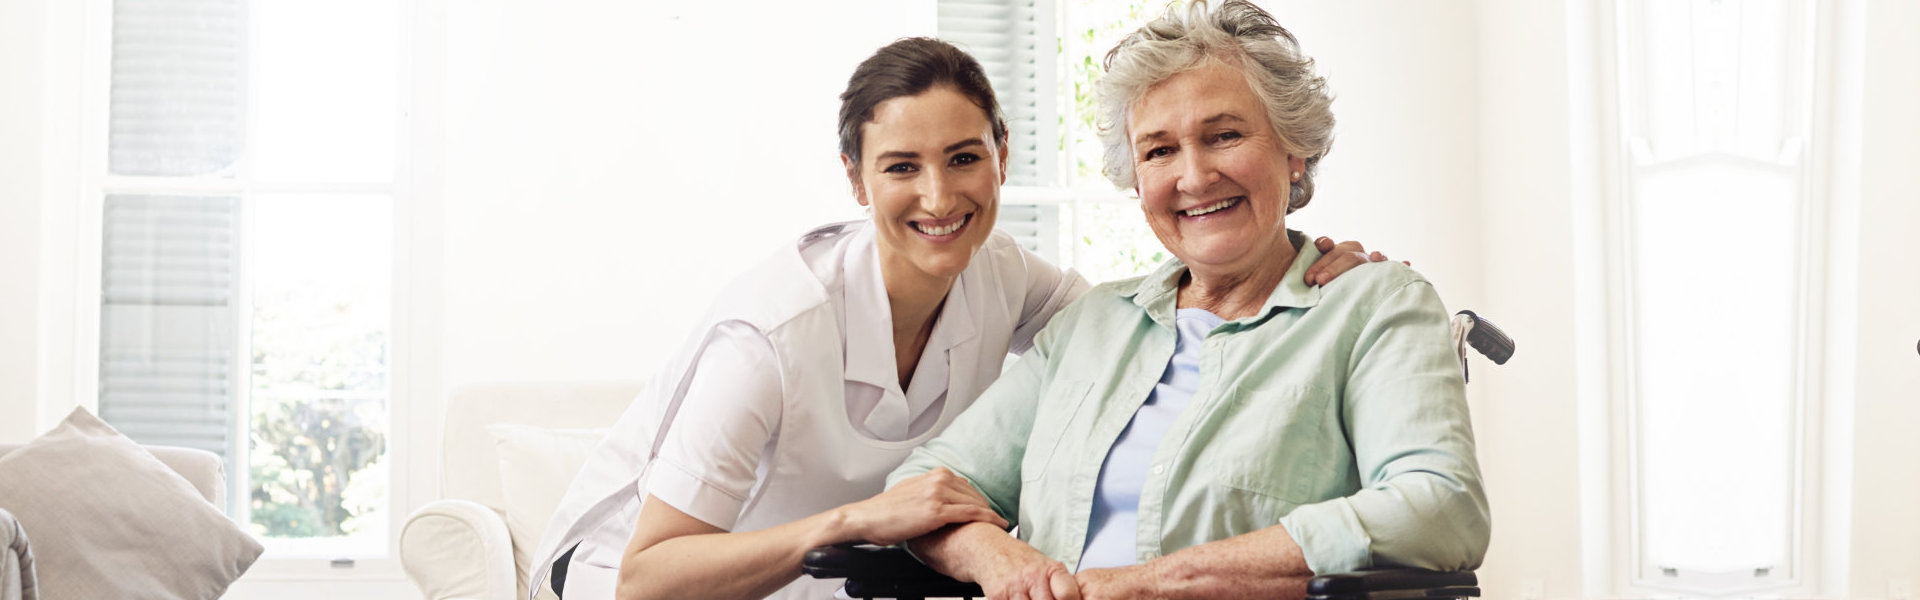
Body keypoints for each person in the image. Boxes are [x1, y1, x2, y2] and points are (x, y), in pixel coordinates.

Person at [526, 36, 1390, 600]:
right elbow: (646, 575)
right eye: (902, 167)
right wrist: (853, 519)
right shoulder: (771, 335)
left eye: (964, 158)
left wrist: (1310, 267)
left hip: (833, 581)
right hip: (629, 580)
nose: (940, 198)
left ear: (1002, 158)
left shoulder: (1005, 275)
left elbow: (1147, 321)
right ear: (856, 179)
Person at [886, 3, 1492, 599]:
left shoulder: (1373, 308)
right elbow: (925, 486)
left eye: (1224, 135)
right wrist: (1007, 566)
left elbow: (1441, 507)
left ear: (1293, 150)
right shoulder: (1092, 325)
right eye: (1159, 150)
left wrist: (1159, 583)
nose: (1195, 178)